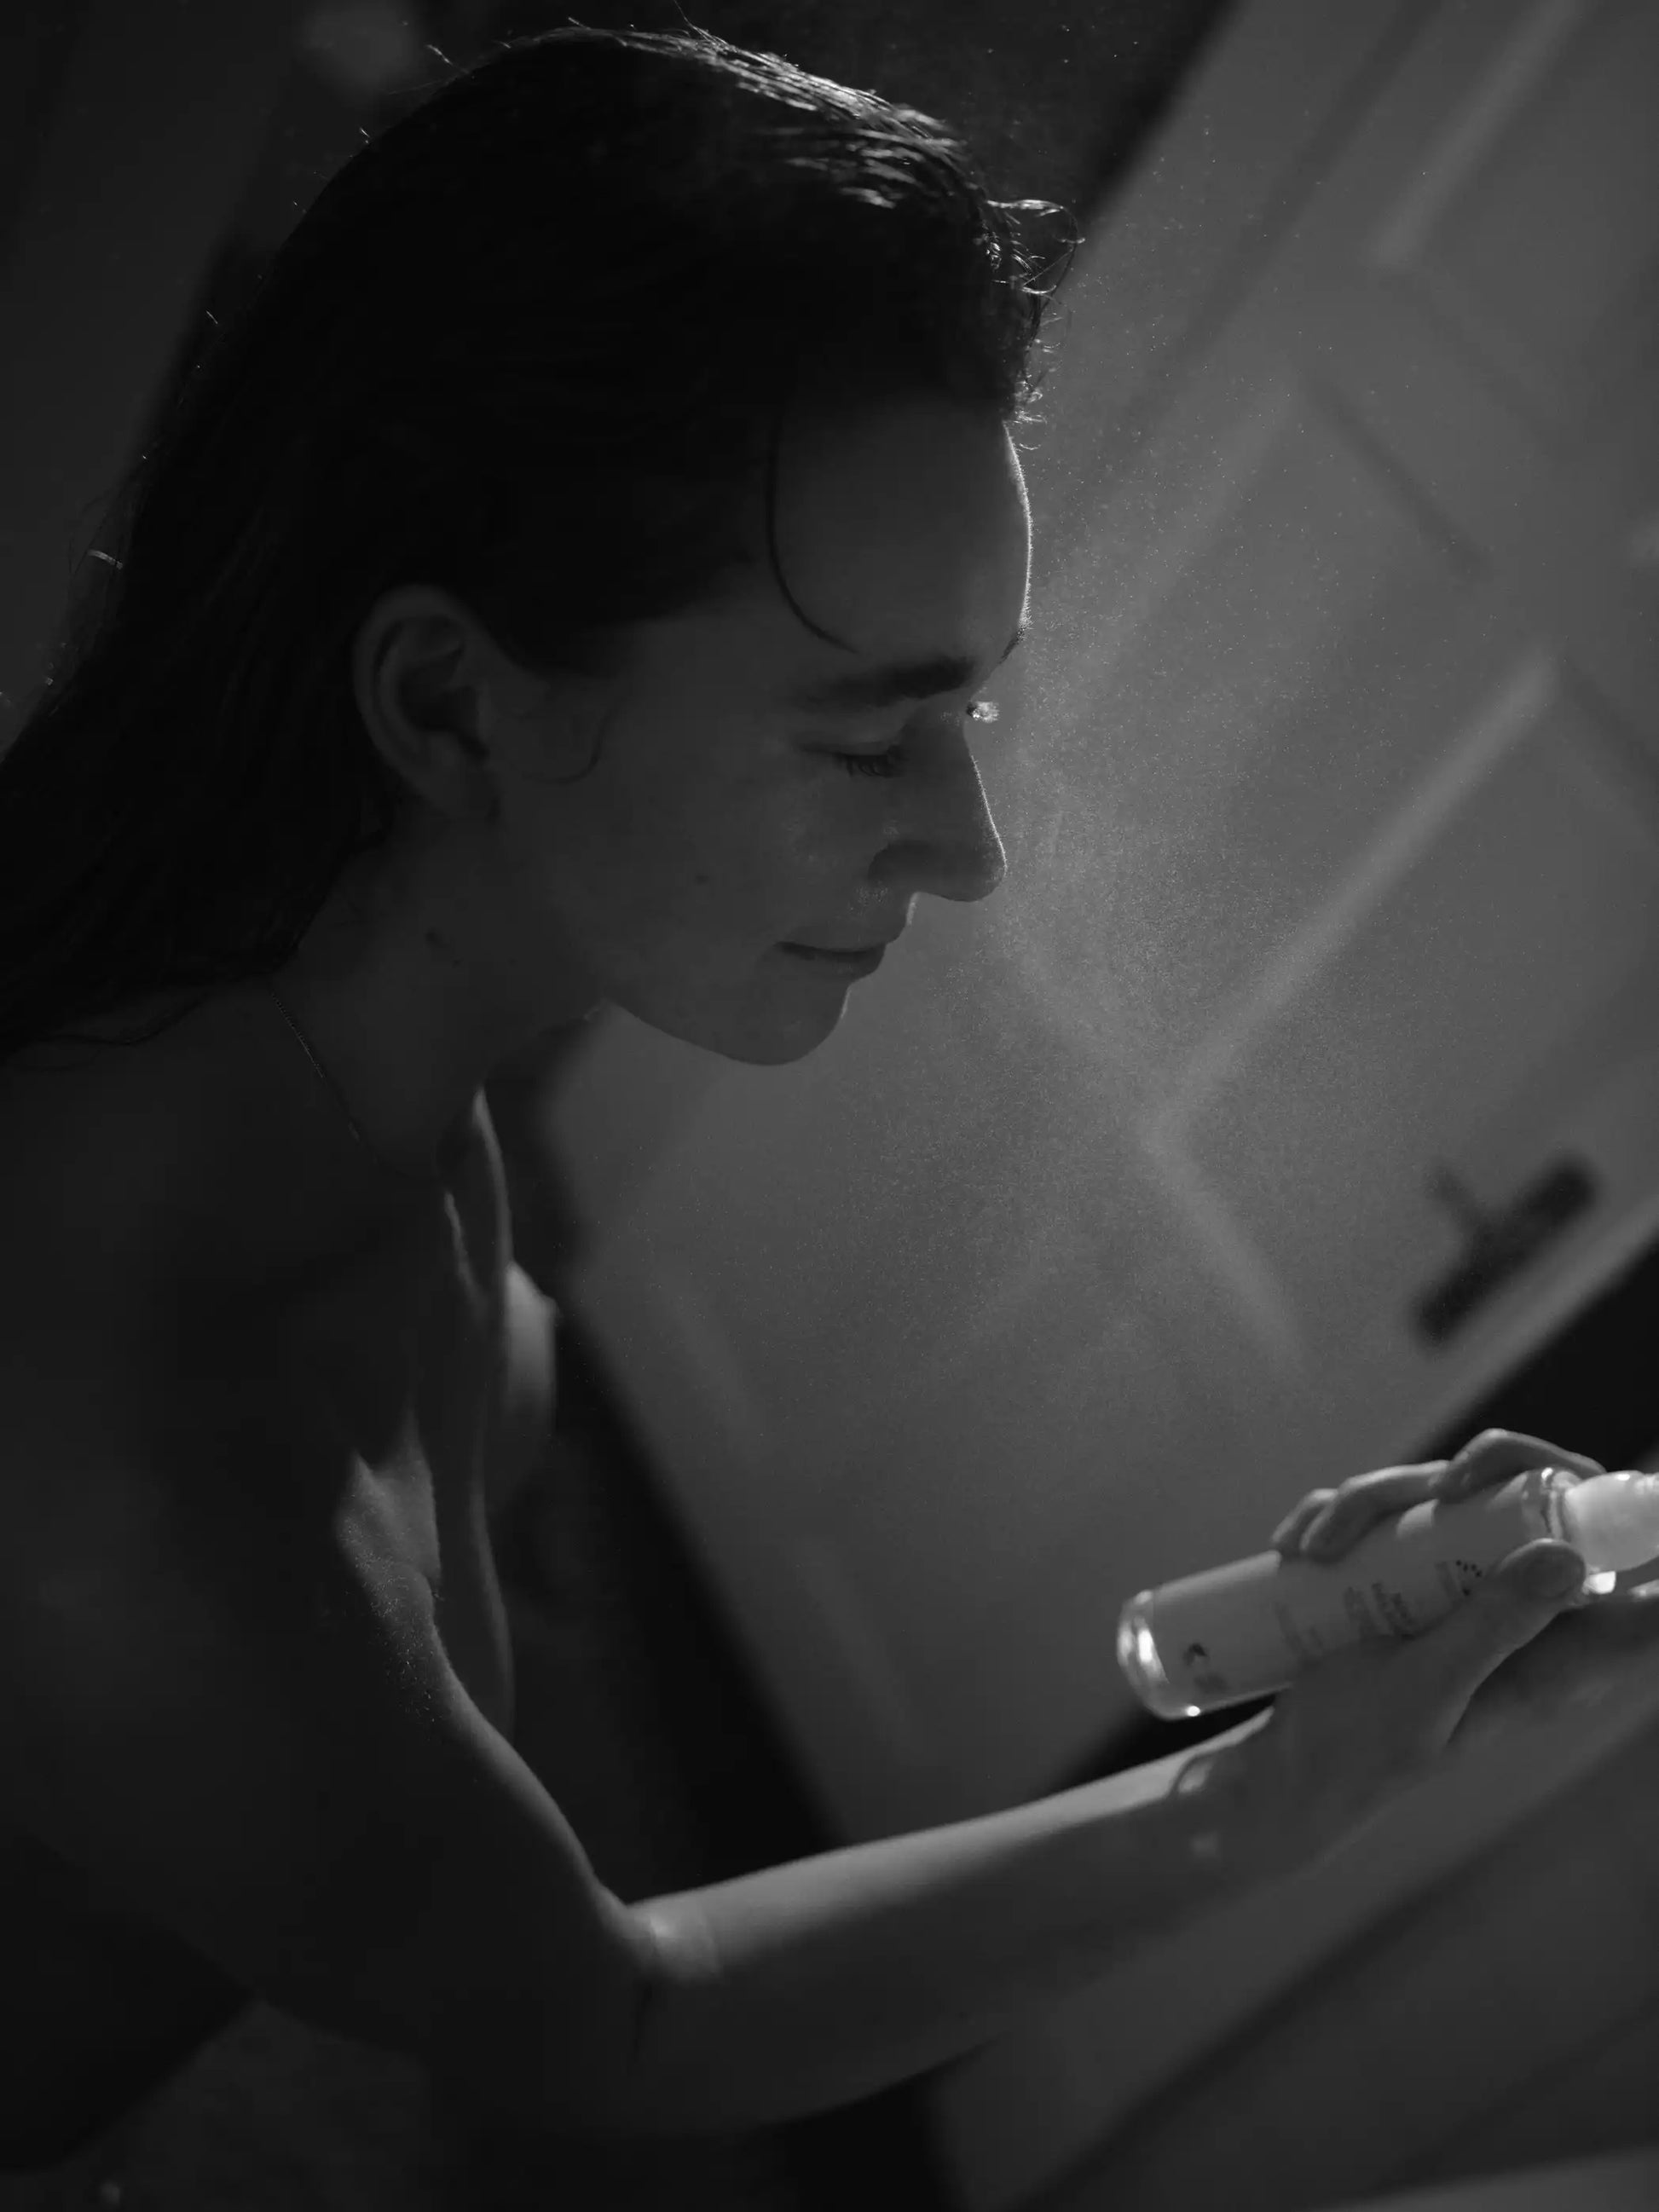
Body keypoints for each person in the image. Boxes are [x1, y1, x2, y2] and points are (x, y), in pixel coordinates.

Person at [3, 21, 1658, 2174]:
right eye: (868, 732)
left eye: (968, 714)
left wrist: (1342, 1721)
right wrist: (1270, 1791)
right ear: (451, 700)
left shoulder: (339, 1064)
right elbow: (609, 2021)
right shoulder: (134, 1462)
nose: (966, 848)